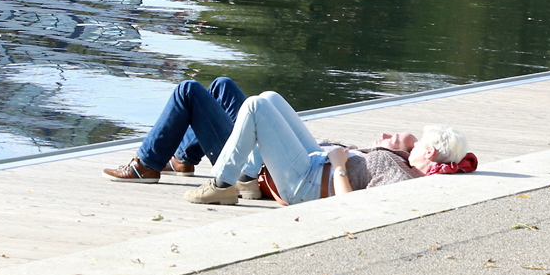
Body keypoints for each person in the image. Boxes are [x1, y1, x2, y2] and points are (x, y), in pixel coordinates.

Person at [186, 94, 468, 206]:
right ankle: (246, 178)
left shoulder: (402, 180)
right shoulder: (404, 164)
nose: (414, 145)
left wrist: (340, 166)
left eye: (420, 143)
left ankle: (222, 183)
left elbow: (352, 208)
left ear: (429, 153)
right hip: (316, 162)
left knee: (255, 106)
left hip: (307, 183)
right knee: (270, 97)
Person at [104, 76, 251, 182]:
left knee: (187, 90)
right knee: (222, 85)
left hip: (249, 165)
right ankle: (182, 159)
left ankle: (145, 165)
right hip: (257, 153)